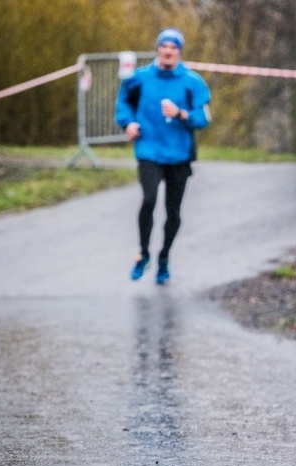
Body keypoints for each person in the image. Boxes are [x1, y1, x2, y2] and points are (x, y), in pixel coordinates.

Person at [115, 27, 211, 284]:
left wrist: (181, 113)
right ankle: (143, 253)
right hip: (148, 149)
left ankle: (164, 257)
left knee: (173, 211)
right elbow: (123, 101)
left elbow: (203, 118)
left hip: (179, 154)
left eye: (173, 47)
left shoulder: (192, 82)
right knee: (148, 200)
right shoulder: (140, 78)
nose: (168, 51)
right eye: (164, 47)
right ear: (158, 50)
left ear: (179, 52)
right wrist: (128, 123)